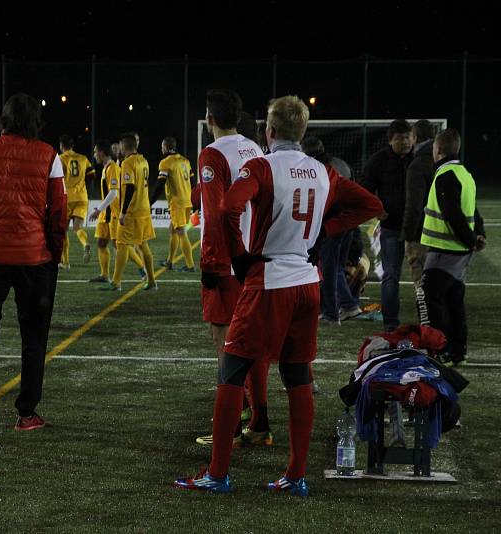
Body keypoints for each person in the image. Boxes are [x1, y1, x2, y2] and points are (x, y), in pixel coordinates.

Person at [175, 95, 383, 495]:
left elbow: (225, 207)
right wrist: (327, 230)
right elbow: (371, 204)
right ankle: (295, 475)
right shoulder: (323, 172)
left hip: (269, 279)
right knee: (298, 376)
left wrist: (239, 258)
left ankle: (217, 474)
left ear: (269, 131)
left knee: (231, 372)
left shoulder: (262, 166)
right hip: (308, 281)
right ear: (303, 131)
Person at [0, 93, 67, 436]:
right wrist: (53, 252)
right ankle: (26, 413)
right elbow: (58, 214)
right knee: (34, 338)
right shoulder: (49, 154)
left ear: (2, 119)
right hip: (34, 259)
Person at [193, 89, 269, 448]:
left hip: (226, 263)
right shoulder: (254, 149)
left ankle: (232, 428)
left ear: (210, 119)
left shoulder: (212, 153)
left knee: (225, 344)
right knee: (252, 341)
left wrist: (210, 262)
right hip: (254, 258)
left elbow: (217, 211)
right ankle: (258, 420)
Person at [420, 128, 487, 366]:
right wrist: (478, 235)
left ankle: (443, 349)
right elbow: (473, 210)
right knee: (455, 301)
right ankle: (459, 350)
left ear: (437, 150)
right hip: (459, 252)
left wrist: (471, 239)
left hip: (444, 251)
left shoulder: (445, 175)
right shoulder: (465, 174)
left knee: (430, 298)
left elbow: (452, 214)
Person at [359, 119, 414, 332]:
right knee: (391, 275)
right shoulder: (379, 160)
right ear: (391, 140)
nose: (405, 142)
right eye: (400, 138)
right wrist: (376, 209)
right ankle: (391, 324)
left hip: (419, 228)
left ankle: (430, 322)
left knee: (428, 278)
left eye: (408, 137)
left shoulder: (420, 160)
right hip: (391, 227)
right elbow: (364, 189)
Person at [302, 136, 361, 323]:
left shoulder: (319, 170)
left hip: (334, 224)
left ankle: (332, 312)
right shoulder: (341, 165)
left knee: (329, 269)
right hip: (349, 222)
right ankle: (348, 305)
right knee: (336, 268)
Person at [100, 133, 157, 291]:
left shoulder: (127, 163)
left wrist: (123, 212)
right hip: (144, 210)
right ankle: (151, 280)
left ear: (124, 146)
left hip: (132, 212)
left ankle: (116, 282)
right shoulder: (143, 161)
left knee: (121, 244)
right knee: (143, 244)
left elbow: (130, 187)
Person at [150, 137, 195, 272]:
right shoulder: (185, 161)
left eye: (162, 146)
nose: (161, 149)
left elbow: (159, 185)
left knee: (181, 232)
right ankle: (169, 261)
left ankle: (190, 265)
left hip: (178, 202)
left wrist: (150, 202)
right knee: (173, 230)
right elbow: (193, 183)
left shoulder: (165, 162)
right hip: (188, 200)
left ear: (166, 147)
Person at [401, 119, 436, 288]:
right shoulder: (444, 161)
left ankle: (425, 314)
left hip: (422, 234)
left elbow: (414, 205)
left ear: (415, 137)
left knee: (421, 284)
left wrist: (407, 234)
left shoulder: (418, 164)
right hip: (445, 235)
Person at [58, 134, 96, 268]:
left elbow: (57, 177)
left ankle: (66, 262)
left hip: (67, 197)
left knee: (63, 231)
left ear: (62, 146)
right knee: (77, 227)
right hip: (82, 197)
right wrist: (80, 182)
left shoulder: (61, 158)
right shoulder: (83, 158)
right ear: (72, 145)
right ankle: (85, 244)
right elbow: (92, 175)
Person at [88, 140, 120, 283]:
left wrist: (98, 209)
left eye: (95, 152)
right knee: (101, 243)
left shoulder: (112, 168)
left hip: (112, 214)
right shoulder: (106, 168)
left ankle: (143, 269)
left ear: (101, 153)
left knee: (119, 246)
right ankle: (105, 275)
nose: (94, 155)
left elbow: (114, 193)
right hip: (105, 214)